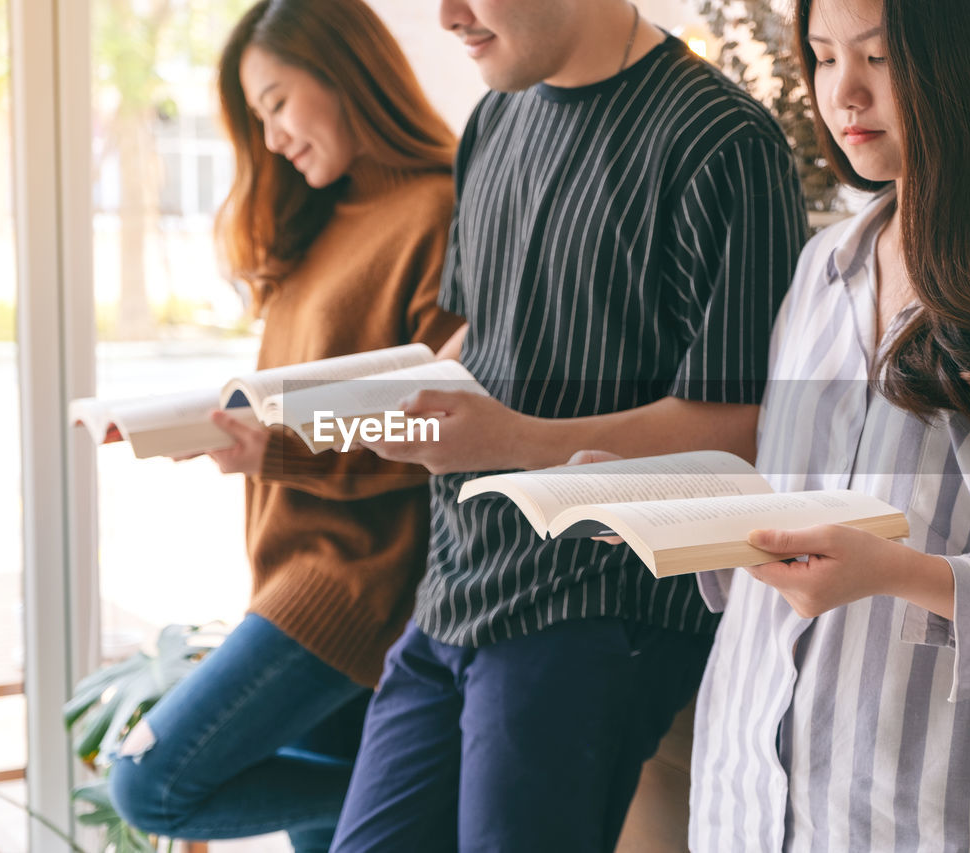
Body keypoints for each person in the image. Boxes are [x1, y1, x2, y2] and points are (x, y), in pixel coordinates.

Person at [331, 1, 807, 850]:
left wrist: (509, 438)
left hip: (590, 608)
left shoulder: (721, 141)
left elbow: (740, 431)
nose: (446, 17)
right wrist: (385, 399)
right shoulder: (493, 117)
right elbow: (484, 332)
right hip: (454, 586)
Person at [686, 0, 970, 848]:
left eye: (878, 60)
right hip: (743, 804)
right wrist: (668, 513)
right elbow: (784, 519)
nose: (841, 92)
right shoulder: (822, 270)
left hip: (934, 820)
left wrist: (900, 574)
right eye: (821, 55)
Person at [105, 2, 464, 850]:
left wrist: (282, 447)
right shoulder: (319, 223)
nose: (270, 139)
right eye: (256, 118)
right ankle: (409, 803)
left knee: (150, 784)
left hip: (353, 588)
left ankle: (426, 799)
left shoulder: (439, 211)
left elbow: (448, 424)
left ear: (345, 74)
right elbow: (317, 391)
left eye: (277, 103)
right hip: (287, 575)